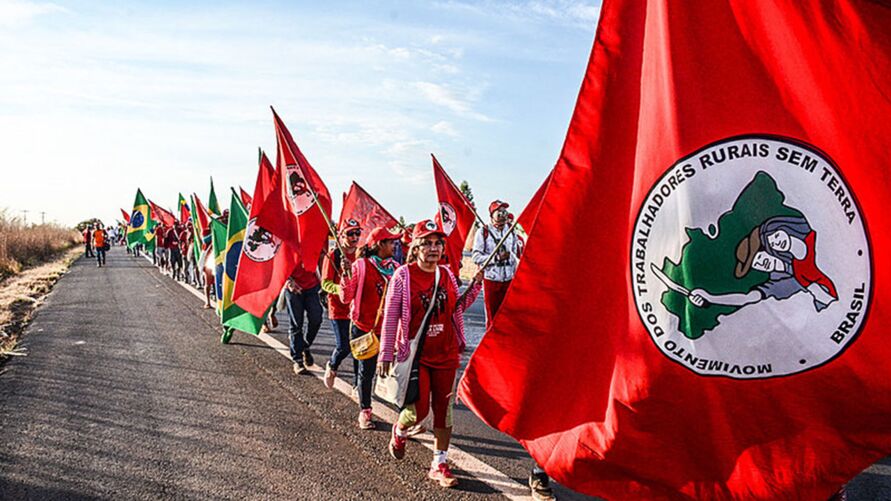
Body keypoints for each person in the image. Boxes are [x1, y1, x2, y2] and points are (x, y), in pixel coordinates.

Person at [379, 219, 483, 488]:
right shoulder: (403, 276)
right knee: (418, 410)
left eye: (438, 243)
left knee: (443, 412)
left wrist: (477, 285)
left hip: (446, 353)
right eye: (427, 243)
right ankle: (400, 430)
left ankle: (439, 463)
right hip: (417, 356)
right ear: (415, 247)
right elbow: (391, 318)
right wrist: (385, 354)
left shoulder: (446, 274)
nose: (433, 248)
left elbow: (456, 307)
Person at [688, 215, 837, 311]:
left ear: (768, 250)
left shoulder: (803, 248)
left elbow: (799, 245)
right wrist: (710, 298)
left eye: (759, 256)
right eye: (756, 264)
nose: (762, 262)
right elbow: (747, 298)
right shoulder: (784, 280)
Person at [339, 226, 399, 429]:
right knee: (367, 371)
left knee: (395, 372)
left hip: (389, 330)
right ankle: (365, 411)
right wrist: (345, 277)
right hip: (364, 327)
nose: (394, 245)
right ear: (379, 244)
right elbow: (346, 297)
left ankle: (405, 417)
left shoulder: (396, 268)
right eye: (391, 242)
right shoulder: (361, 266)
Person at [321, 220, 362, 391]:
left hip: (358, 309)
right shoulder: (333, 255)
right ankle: (332, 365)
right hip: (338, 308)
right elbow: (325, 284)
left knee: (359, 349)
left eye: (357, 233)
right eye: (350, 234)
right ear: (341, 235)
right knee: (344, 346)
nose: (354, 237)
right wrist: (344, 290)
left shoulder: (362, 255)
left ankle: (357, 385)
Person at [472, 200, 522, 324]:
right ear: (492, 215)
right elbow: (476, 256)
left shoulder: (511, 231)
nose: (503, 215)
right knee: (492, 317)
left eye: (505, 212)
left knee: (507, 317)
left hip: (509, 279)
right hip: (492, 280)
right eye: (499, 212)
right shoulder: (483, 232)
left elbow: (516, 253)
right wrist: (496, 258)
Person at [286, 262, 323, 375]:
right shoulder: (287, 243)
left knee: (316, 318)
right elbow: (278, 260)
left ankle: (305, 346)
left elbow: (322, 258)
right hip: (293, 286)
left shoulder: (316, 244)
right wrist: (287, 281)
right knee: (296, 324)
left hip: (313, 286)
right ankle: (298, 360)